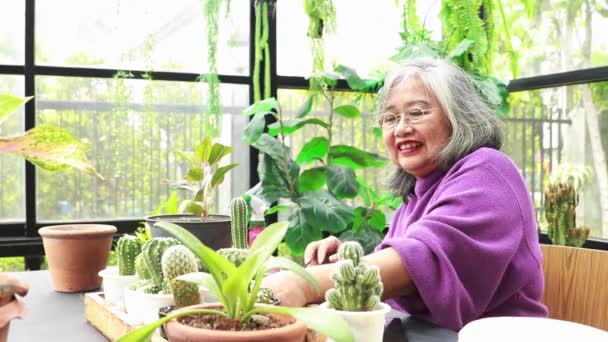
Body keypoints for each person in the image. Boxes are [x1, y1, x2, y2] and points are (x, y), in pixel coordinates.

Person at [262, 57, 548, 331]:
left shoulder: (488, 171)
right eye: (390, 118)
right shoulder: (414, 199)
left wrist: (301, 283)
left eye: (417, 113)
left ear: (458, 117)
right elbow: (382, 278)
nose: (401, 128)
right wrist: (342, 264)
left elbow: (416, 263)